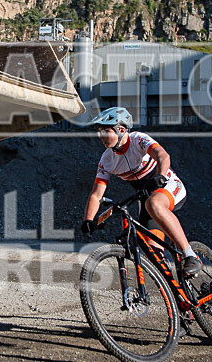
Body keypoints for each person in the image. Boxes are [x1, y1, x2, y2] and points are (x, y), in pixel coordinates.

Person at [80, 107, 202, 276]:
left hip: (167, 186)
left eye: (106, 131)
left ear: (121, 130)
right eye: (99, 132)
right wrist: (88, 219)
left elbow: (162, 156)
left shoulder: (138, 139)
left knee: (154, 203)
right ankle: (179, 295)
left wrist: (159, 176)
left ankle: (190, 255)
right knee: (154, 255)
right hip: (146, 200)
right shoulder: (107, 159)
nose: (101, 136)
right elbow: (96, 194)